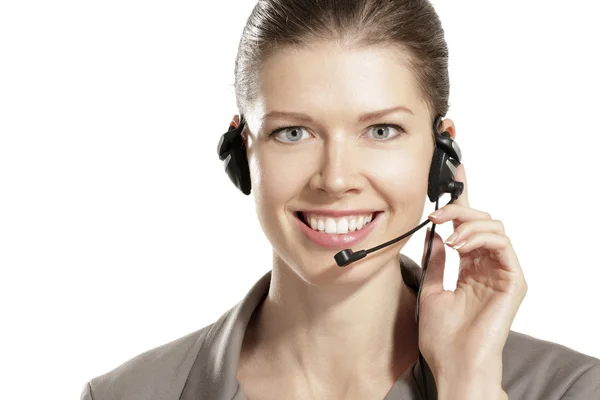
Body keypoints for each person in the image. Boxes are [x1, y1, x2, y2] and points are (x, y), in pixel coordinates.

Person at [80, 0, 600, 399]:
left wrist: (468, 382)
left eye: (380, 130)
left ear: (442, 154)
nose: (336, 179)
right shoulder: (127, 394)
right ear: (243, 153)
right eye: (293, 133)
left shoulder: (569, 388)